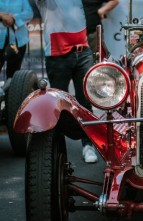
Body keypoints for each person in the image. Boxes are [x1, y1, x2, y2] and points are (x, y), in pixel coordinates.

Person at [33, 0, 98, 162]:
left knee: (85, 101)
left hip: (83, 50)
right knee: (58, 105)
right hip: (57, 54)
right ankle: (57, 151)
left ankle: (87, 145)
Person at [0, 0, 33, 94]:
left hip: (19, 41)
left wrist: (14, 18)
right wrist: (2, 16)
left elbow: (29, 13)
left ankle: (10, 104)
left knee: (14, 75)